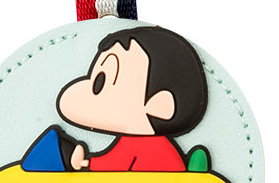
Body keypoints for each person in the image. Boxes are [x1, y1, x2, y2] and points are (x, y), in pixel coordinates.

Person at [56, 26, 207, 171]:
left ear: (159, 105)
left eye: (100, 83)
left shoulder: (139, 143)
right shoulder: (155, 143)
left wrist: (85, 162)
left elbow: (114, 163)